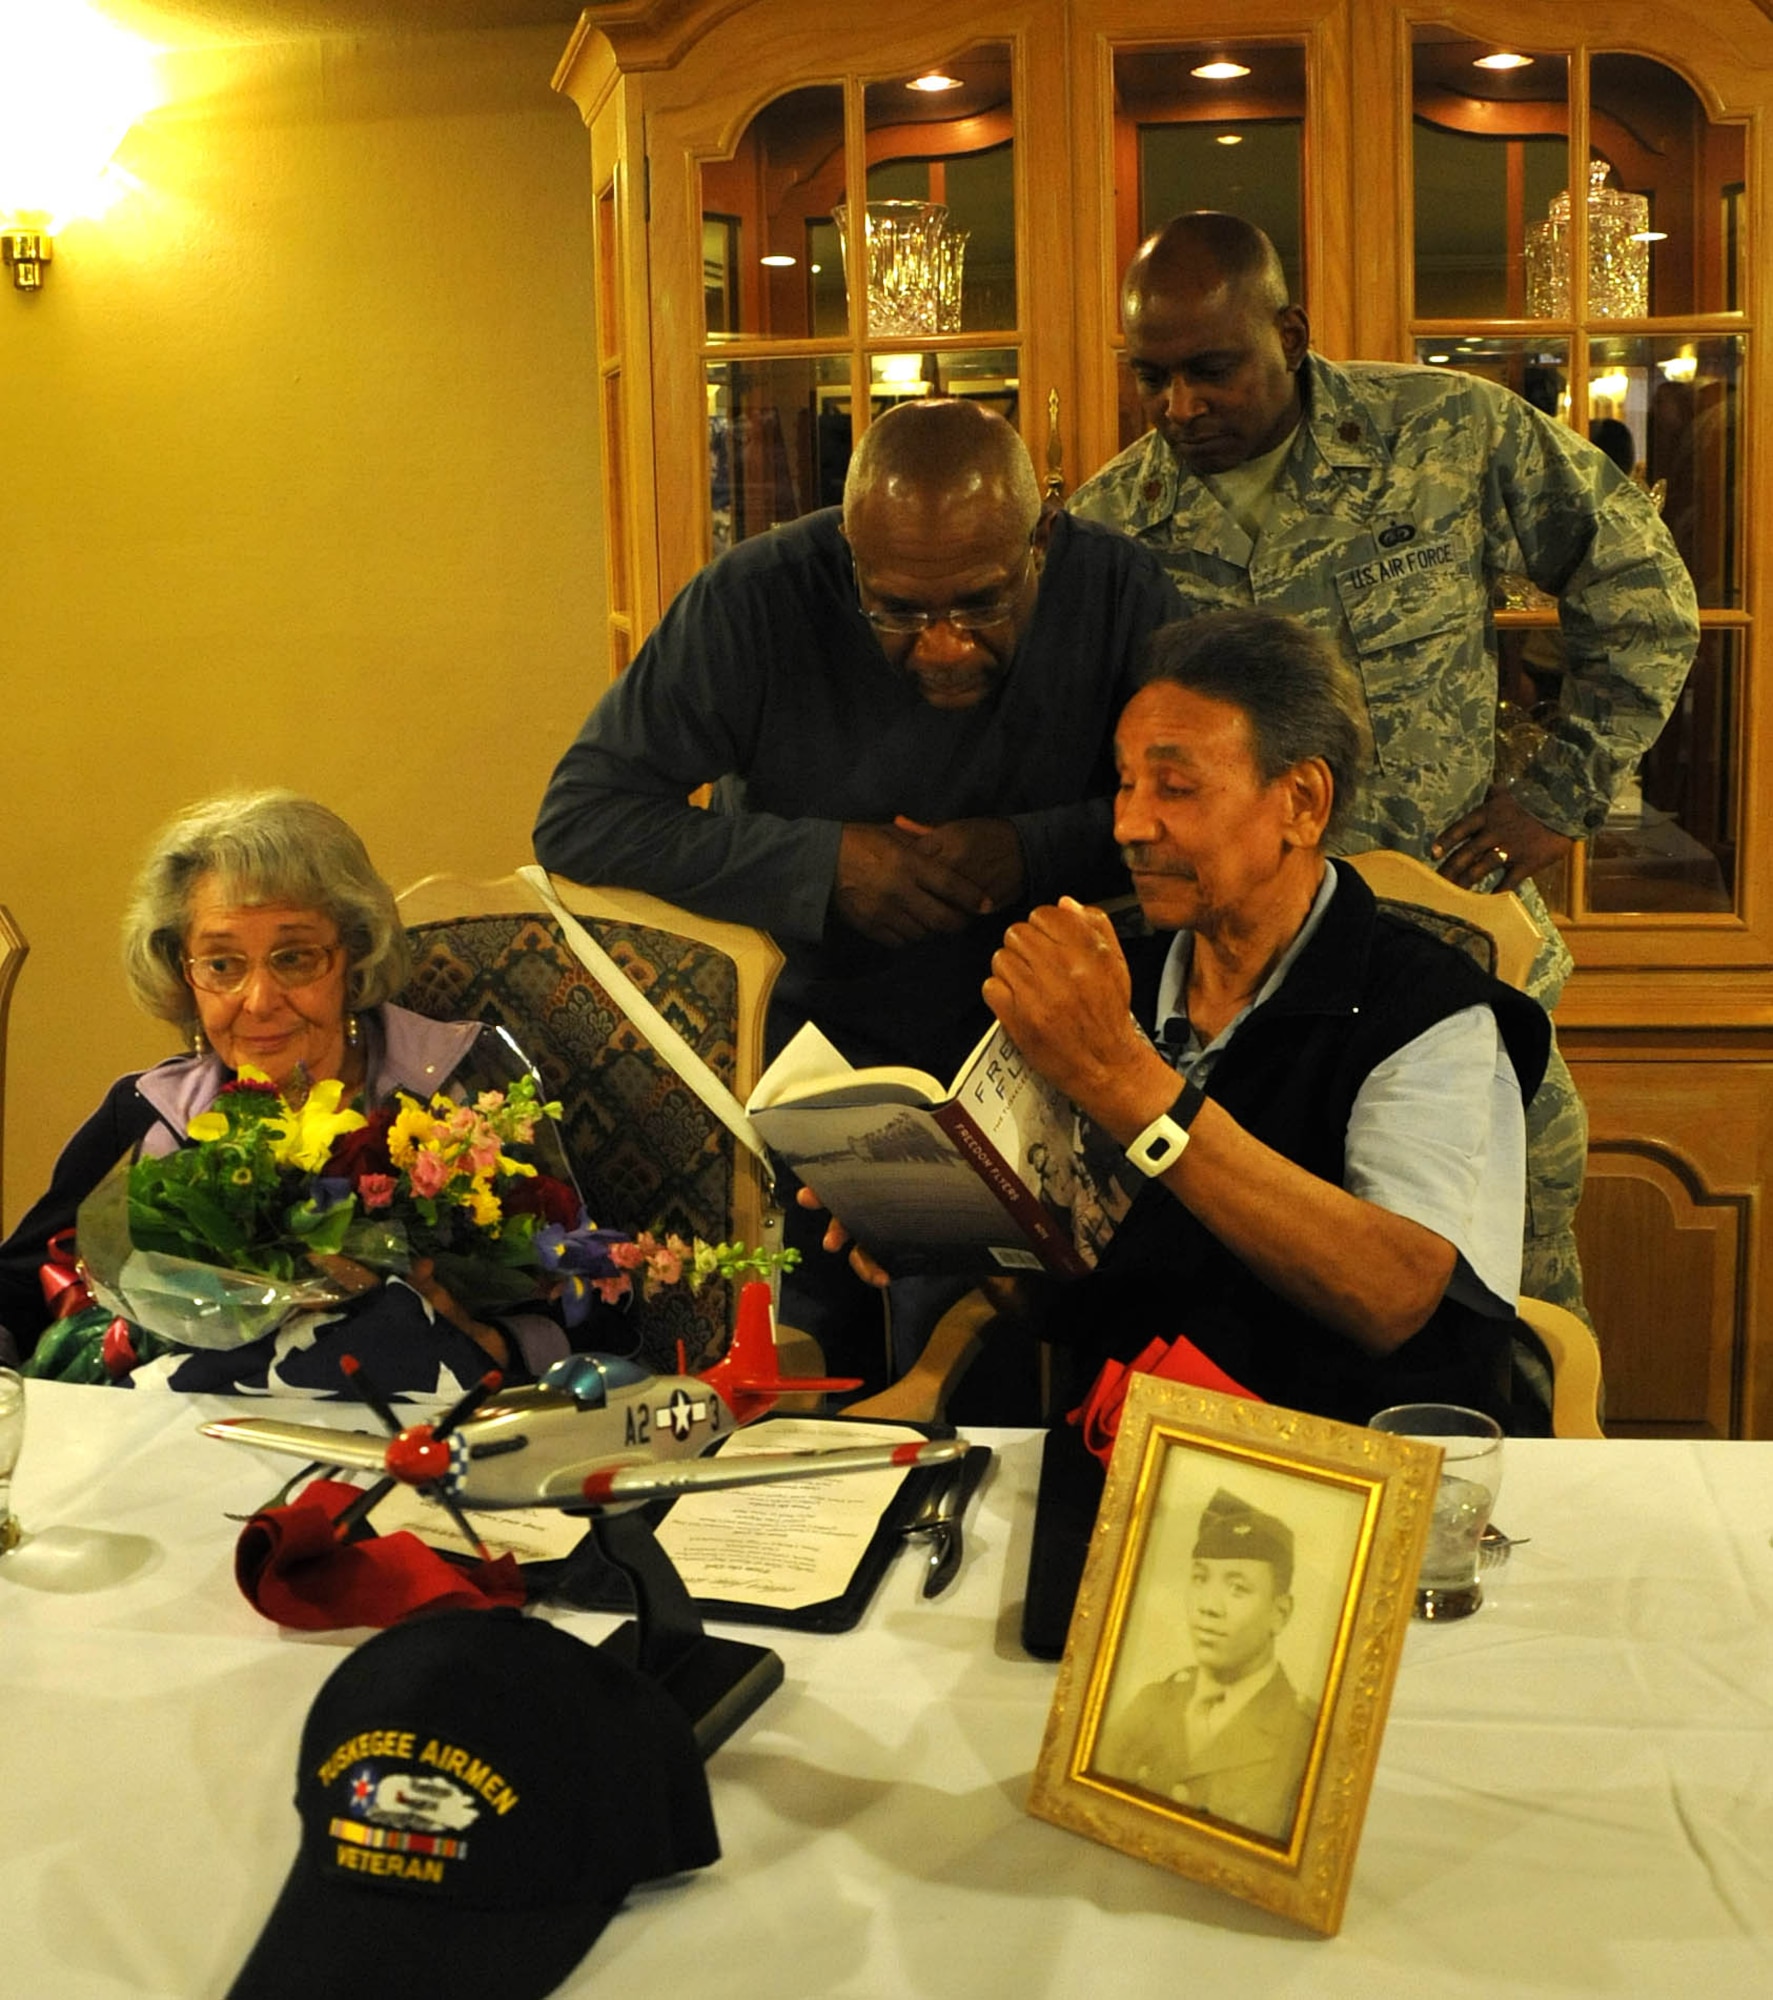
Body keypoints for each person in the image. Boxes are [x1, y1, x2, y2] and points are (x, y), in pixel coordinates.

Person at [1069, 211, 1701, 1321]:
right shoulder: (1112, 527)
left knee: (1505, 1312)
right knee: (1254, 1317)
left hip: (1451, 965)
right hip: (1235, 1027)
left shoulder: (1447, 434)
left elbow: (1644, 590)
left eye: (1213, 370)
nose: (1181, 407)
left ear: (1292, 333)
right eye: (1151, 378)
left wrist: (1562, 793)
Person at [535, 397, 1181, 1389]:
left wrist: (1028, 851)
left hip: (1065, 1052)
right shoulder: (755, 599)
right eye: (899, 611)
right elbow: (582, 812)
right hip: (818, 1056)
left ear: (1042, 536)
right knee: (823, 1369)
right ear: (848, 558)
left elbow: (1200, 818)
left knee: (1034, 1374)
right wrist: (827, 865)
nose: (945, 646)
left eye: (981, 603)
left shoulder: (1123, 592)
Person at [983, 609, 1552, 1431]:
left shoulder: (1427, 1009)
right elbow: (1062, 1285)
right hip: (1125, 1465)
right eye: (1124, 783)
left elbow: (1391, 1294)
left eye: (1174, 788)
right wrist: (932, 1227)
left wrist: (1132, 1085)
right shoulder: (1115, 980)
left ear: (1301, 802)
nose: (1129, 825)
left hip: (1351, 1479)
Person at [0, 791, 578, 1393]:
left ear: (352, 954)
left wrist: (480, 1341)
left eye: (294, 957)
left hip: (429, 1442)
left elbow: (593, 1314)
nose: (259, 1000)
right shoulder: (150, 1114)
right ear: (183, 973)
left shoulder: (463, 1084)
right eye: (223, 964)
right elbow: (14, 1292)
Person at [1097, 1487, 1318, 1841]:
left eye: (1237, 1588)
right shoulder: (1152, 1702)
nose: (1208, 1606)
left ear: (1280, 1613)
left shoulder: (1307, 1737)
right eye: (1200, 1579)